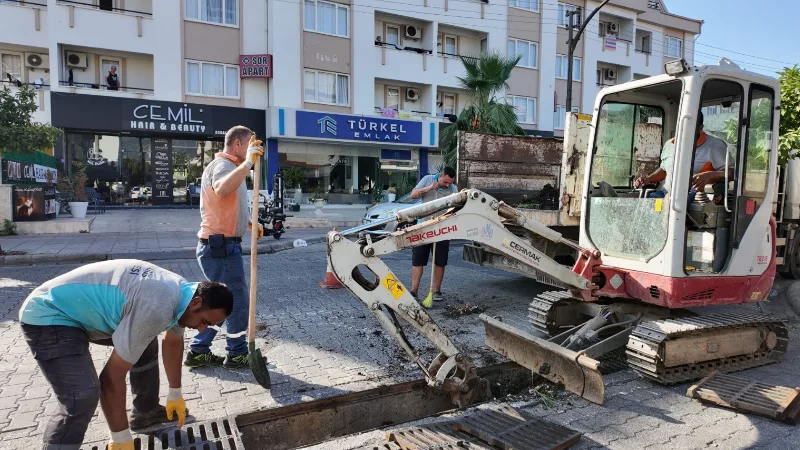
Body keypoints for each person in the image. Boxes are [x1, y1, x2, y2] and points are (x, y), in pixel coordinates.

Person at [18, 259, 234, 450]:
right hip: (49, 314)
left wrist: (175, 392)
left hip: (83, 312)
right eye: (205, 322)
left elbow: (173, 341)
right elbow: (112, 378)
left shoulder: (184, 295)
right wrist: (121, 438)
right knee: (81, 396)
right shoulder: (158, 307)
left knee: (144, 340)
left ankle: (145, 412)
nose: (202, 329)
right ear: (197, 302)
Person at [184, 126, 265, 369]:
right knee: (237, 303)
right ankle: (238, 353)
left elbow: (224, 204)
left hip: (220, 246)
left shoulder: (232, 168)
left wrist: (247, 223)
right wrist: (248, 163)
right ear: (238, 144)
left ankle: (198, 351)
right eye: (250, 144)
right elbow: (221, 189)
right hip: (220, 248)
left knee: (220, 304)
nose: (254, 148)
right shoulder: (224, 166)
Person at [600, 111, 732, 201]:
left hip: (694, 195)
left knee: (669, 201)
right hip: (666, 191)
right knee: (635, 201)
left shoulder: (714, 146)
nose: (685, 131)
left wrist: (709, 175)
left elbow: (732, 173)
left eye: (690, 127)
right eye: (682, 127)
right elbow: (664, 170)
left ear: (700, 128)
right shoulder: (670, 144)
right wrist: (648, 179)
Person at [409, 166, 459, 302]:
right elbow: (413, 195)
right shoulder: (427, 179)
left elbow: (458, 204)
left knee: (440, 261)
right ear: (441, 176)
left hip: (441, 228)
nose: (448, 185)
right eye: (446, 182)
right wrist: (430, 188)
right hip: (424, 227)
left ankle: (437, 291)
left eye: (451, 182)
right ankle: (414, 291)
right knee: (418, 259)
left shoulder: (453, 188)